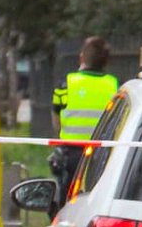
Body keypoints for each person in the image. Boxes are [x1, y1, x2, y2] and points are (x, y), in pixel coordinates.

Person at [51, 36, 119, 201]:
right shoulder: (115, 86)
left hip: (72, 155)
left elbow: (56, 121)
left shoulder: (66, 84)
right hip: (104, 155)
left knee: (67, 200)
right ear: (106, 62)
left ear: (82, 57)